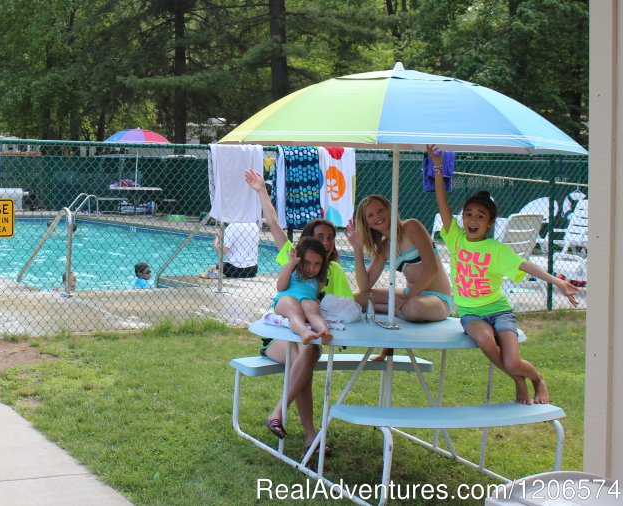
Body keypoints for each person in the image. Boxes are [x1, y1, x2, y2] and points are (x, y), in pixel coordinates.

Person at [429, 145, 579, 404]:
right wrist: (438, 167)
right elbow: (442, 202)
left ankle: (537, 378)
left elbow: (527, 266)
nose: (472, 220)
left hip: (499, 311)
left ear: (489, 223)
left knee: (513, 360)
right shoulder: (455, 239)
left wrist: (558, 282)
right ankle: (518, 381)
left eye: (480, 216)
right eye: (468, 214)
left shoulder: (496, 250)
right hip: (471, 313)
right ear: (462, 219)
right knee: (487, 343)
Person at [247, 169, 351, 455]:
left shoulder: (333, 272)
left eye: (331, 237)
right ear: (307, 242)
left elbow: (348, 307)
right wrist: (261, 191)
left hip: (305, 336)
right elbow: (274, 223)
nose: (327, 242)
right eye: (320, 237)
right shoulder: (293, 257)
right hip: (278, 339)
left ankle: (306, 434)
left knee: (308, 353)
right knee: (307, 355)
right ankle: (292, 423)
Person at [349, 194, 454, 323]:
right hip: (409, 294)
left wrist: (408, 298)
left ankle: (381, 308)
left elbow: (432, 268)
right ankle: (394, 308)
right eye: (370, 215)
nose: (377, 216)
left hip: (437, 298)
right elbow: (365, 286)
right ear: (367, 224)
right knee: (355, 298)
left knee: (414, 308)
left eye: (380, 210)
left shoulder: (411, 226)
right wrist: (357, 249)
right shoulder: (384, 247)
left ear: (389, 209)